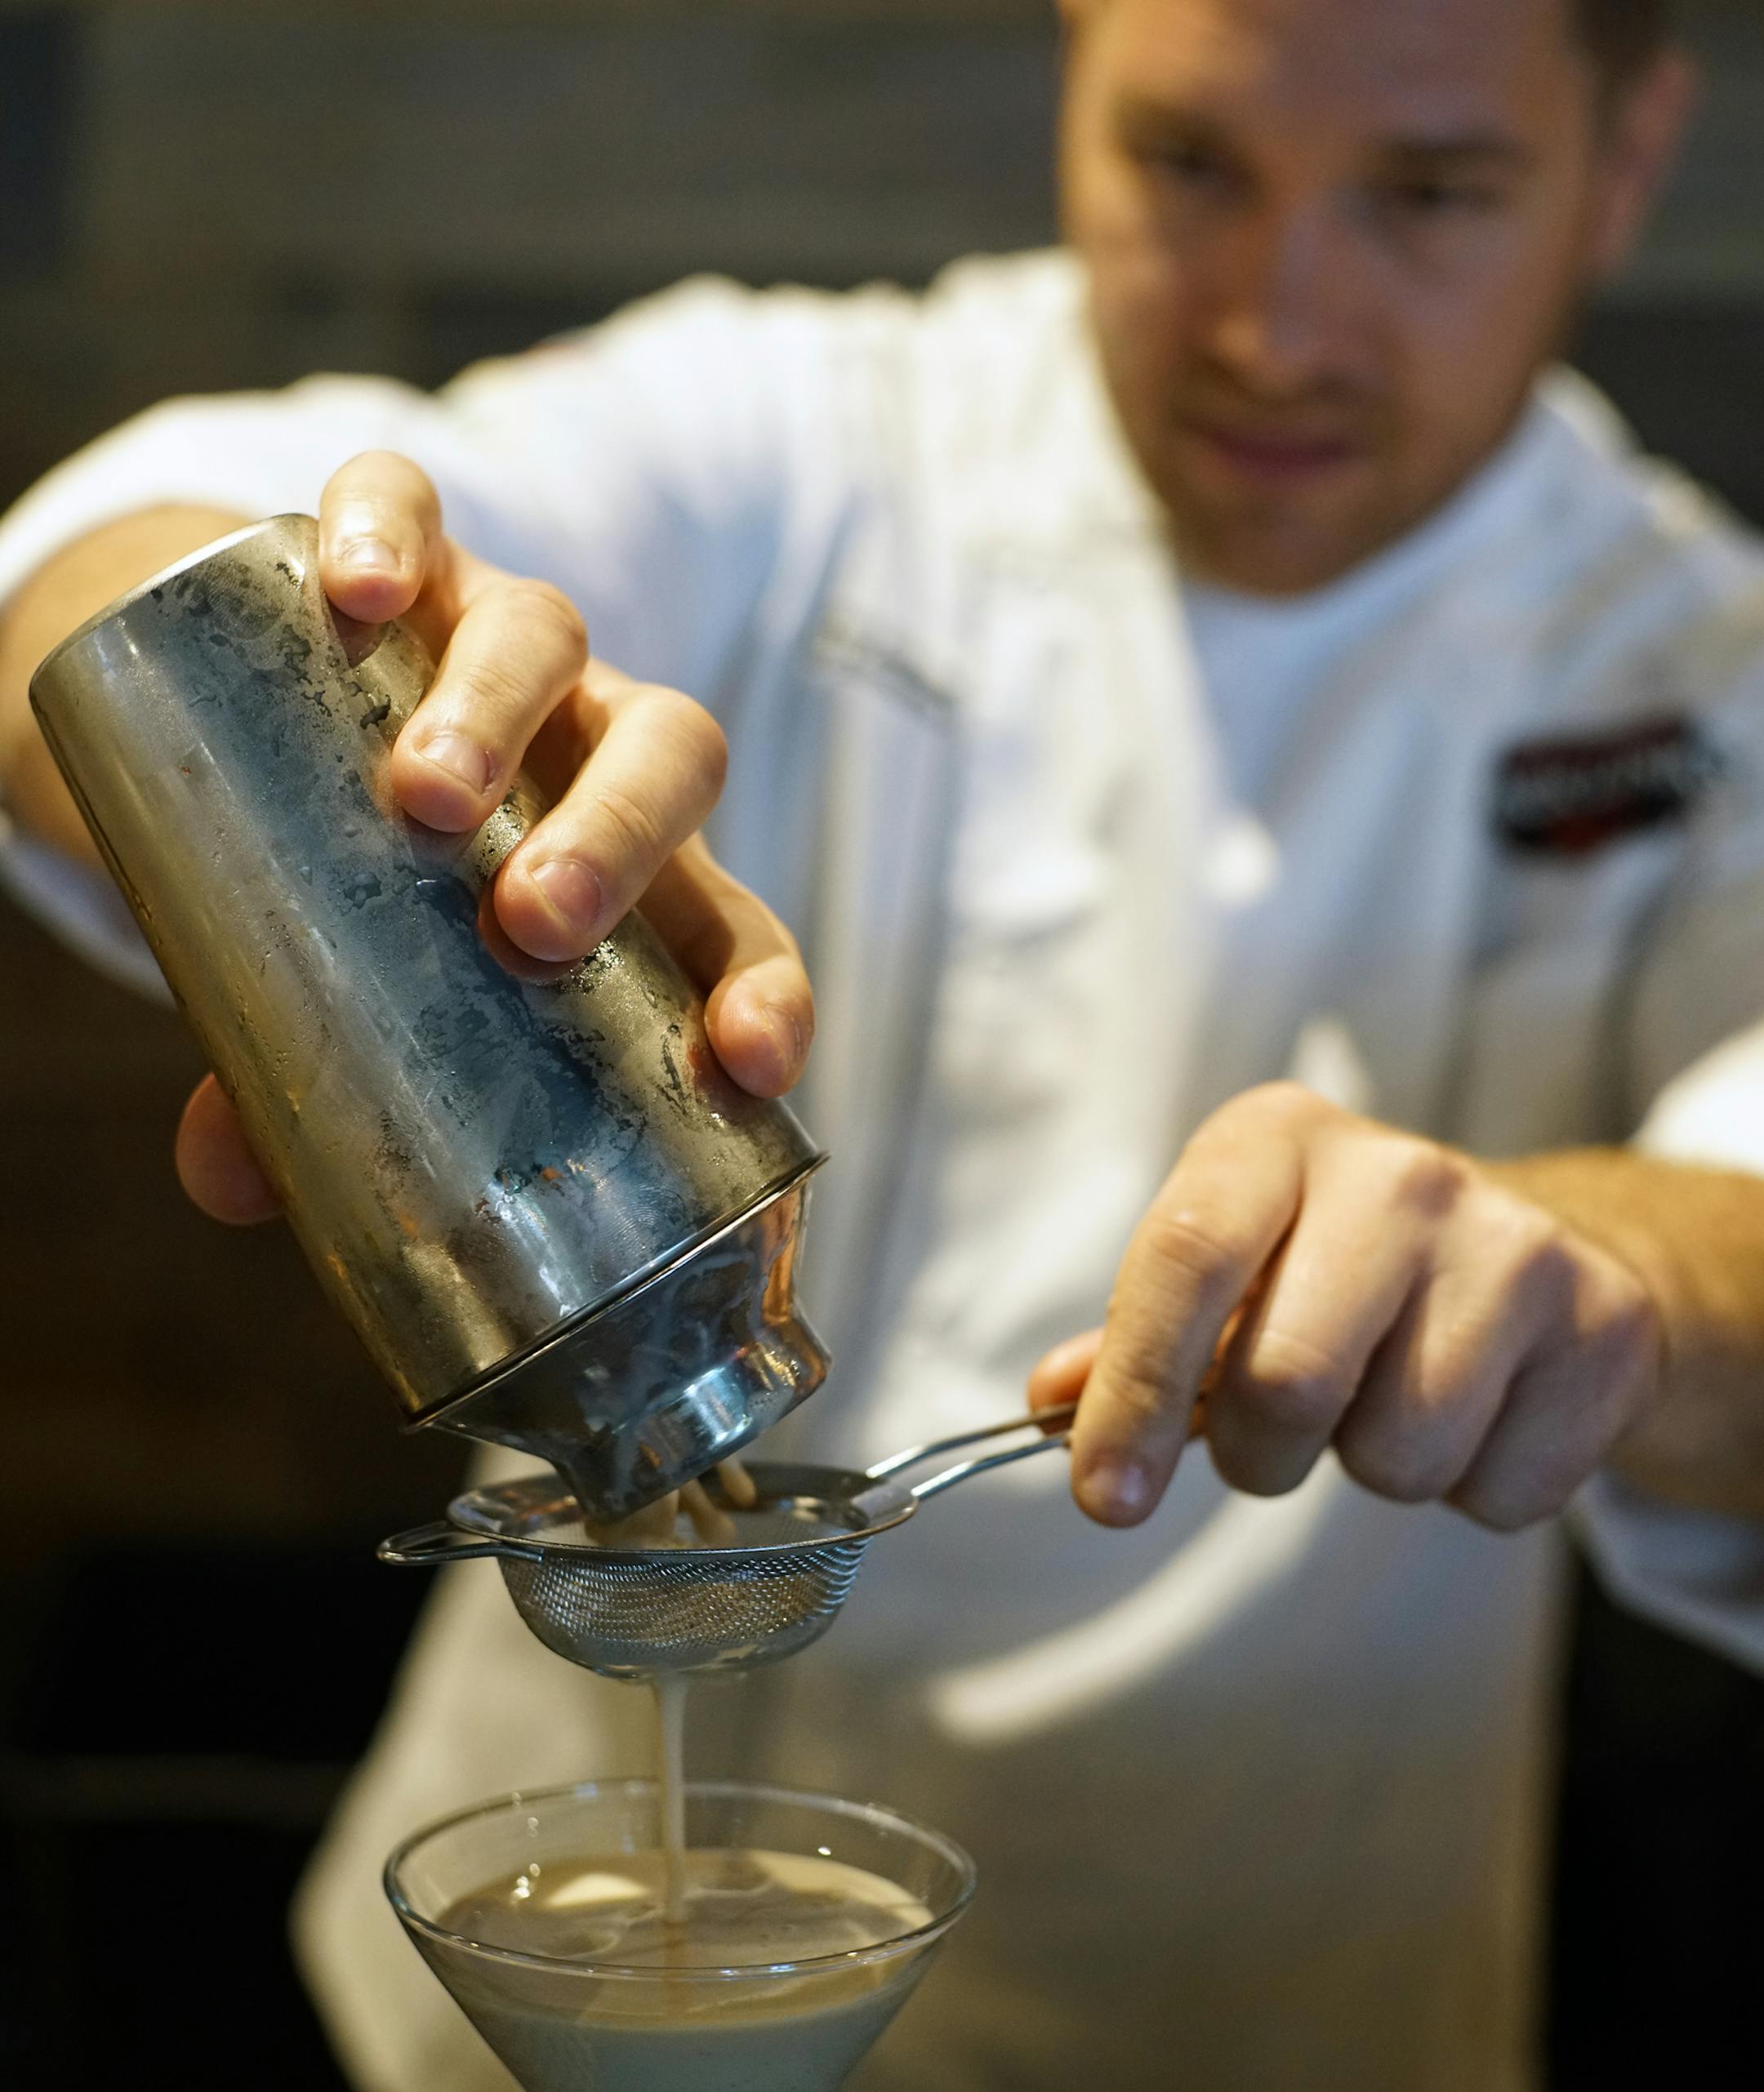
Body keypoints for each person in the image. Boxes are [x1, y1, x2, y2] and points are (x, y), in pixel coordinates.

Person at [2, 0, 1762, 2084]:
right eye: (1188, 164)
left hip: (1259, 2009)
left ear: (1628, 157)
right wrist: (309, 737)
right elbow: (100, 552)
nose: (1276, 328)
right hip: (523, 2015)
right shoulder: (821, 439)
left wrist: (1599, 1278)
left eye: (1433, 197)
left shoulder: (1695, 661)